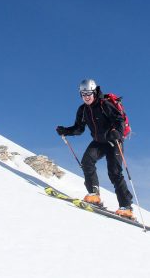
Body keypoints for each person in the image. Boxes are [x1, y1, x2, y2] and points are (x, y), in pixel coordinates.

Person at [56, 79, 134, 218]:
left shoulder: (105, 104)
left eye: (89, 93)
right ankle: (94, 194)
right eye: (83, 93)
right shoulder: (83, 110)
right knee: (87, 161)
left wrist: (117, 132)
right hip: (99, 141)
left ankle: (126, 207)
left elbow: (119, 120)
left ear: (94, 92)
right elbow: (79, 129)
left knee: (114, 172)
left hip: (113, 140)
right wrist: (66, 131)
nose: (86, 96)